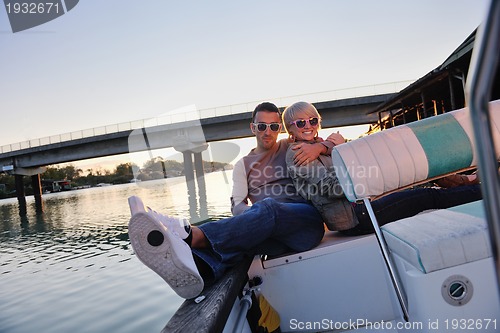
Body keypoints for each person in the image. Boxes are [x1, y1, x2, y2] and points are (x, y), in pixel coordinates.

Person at [127, 102, 333, 299]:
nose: (267, 131)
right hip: (273, 237)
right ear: (253, 128)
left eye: (273, 126)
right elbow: (238, 205)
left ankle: (191, 235)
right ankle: (199, 270)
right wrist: (255, 220)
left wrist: (321, 147)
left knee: (268, 208)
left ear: (280, 128)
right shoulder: (243, 165)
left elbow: (336, 142)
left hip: (305, 226)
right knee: (250, 236)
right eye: (261, 126)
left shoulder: (291, 145)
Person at [282, 101, 483, 235]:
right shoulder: (297, 152)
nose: (308, 125)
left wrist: (327, 147)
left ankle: (469, 182)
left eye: (313, 120)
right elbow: (330, 188)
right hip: (355, 217)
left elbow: (358, 157)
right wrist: (372, 171)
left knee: (414, 169)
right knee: (427, 197)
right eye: (300, 122)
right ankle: (485, 191)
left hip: (366, 202)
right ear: (290, 128)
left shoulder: (321, 144)